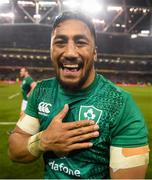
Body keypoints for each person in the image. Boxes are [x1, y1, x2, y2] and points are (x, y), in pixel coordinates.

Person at [8, 11, 149, 179]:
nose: (70, 53)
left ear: (95, 52)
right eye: (60, 42)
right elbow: (14, 150)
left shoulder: (121, 105)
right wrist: (43, 140)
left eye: (80, 42)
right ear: (51, 50)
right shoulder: (41, 91)